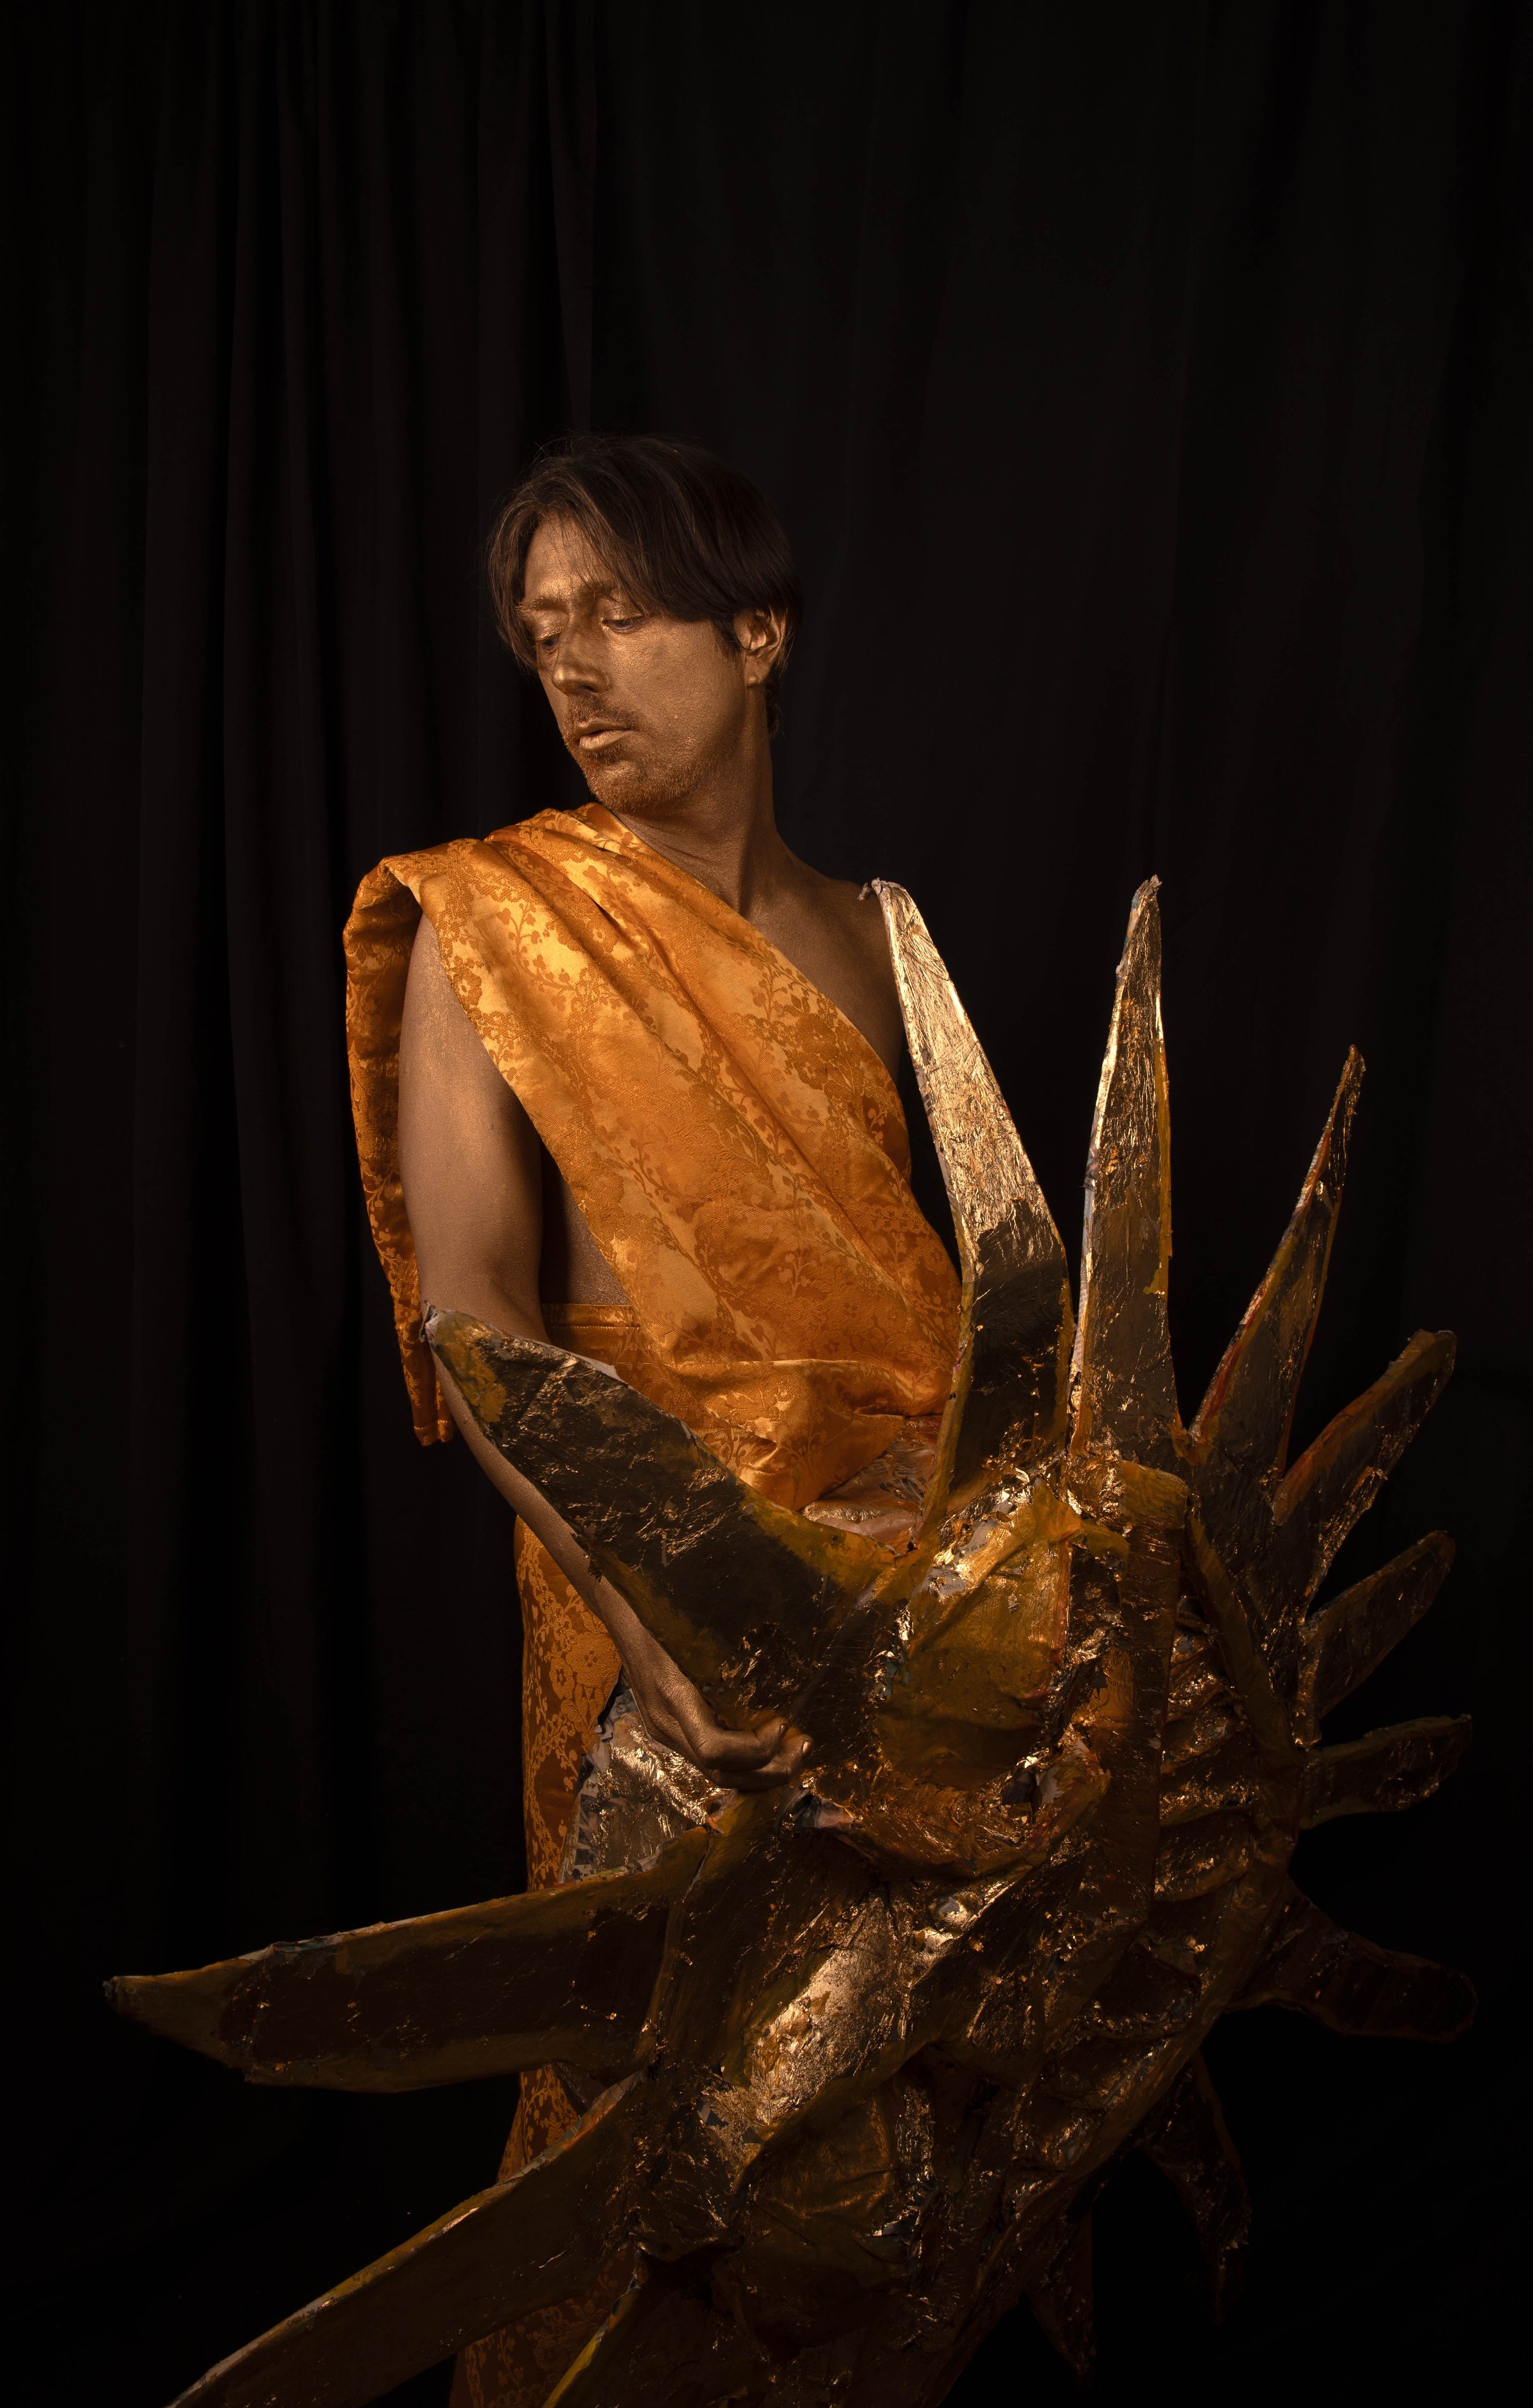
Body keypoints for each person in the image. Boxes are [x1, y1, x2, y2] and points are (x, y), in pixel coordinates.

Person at [343, 435, 959, 2406]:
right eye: (543, 639)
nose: (577, 671)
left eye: (618, 613)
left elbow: (924, 1300)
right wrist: (641, 1617)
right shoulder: (492, 920)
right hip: (656, 1605)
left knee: (900, 2111)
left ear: (754, 631)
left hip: (917, 1607)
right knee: (661, 2104)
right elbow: (475, 1315)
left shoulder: (883, 937)